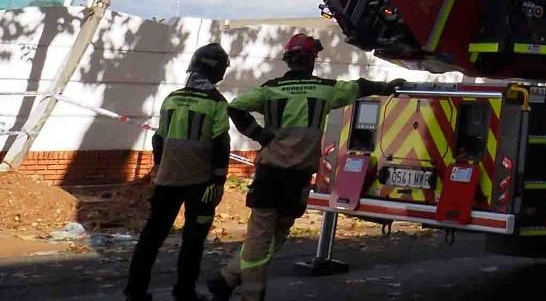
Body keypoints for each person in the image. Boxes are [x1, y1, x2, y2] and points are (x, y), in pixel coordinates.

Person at [209, 33, 396, 301]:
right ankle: (248, 293)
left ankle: (227, 279)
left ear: (287, 60)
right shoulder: (325, 89)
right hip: (296, 179)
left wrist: (259, 135)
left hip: (269, 174)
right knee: (271, 237)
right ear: (311, 61)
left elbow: (236, 107)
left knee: (261, 236)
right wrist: (390, 86)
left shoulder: (270, 89)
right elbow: (360, 86)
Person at [126, 42, 232, 301]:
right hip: (202, 182)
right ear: (218, 72)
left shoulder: (171, 98)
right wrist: (219, 180)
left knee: (152, 236)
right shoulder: (217, 103)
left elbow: (158, 139)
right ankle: (184, 292)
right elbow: (221, 144)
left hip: (168, 179)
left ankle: (135, 292)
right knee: (193, 240)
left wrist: (160, 167)